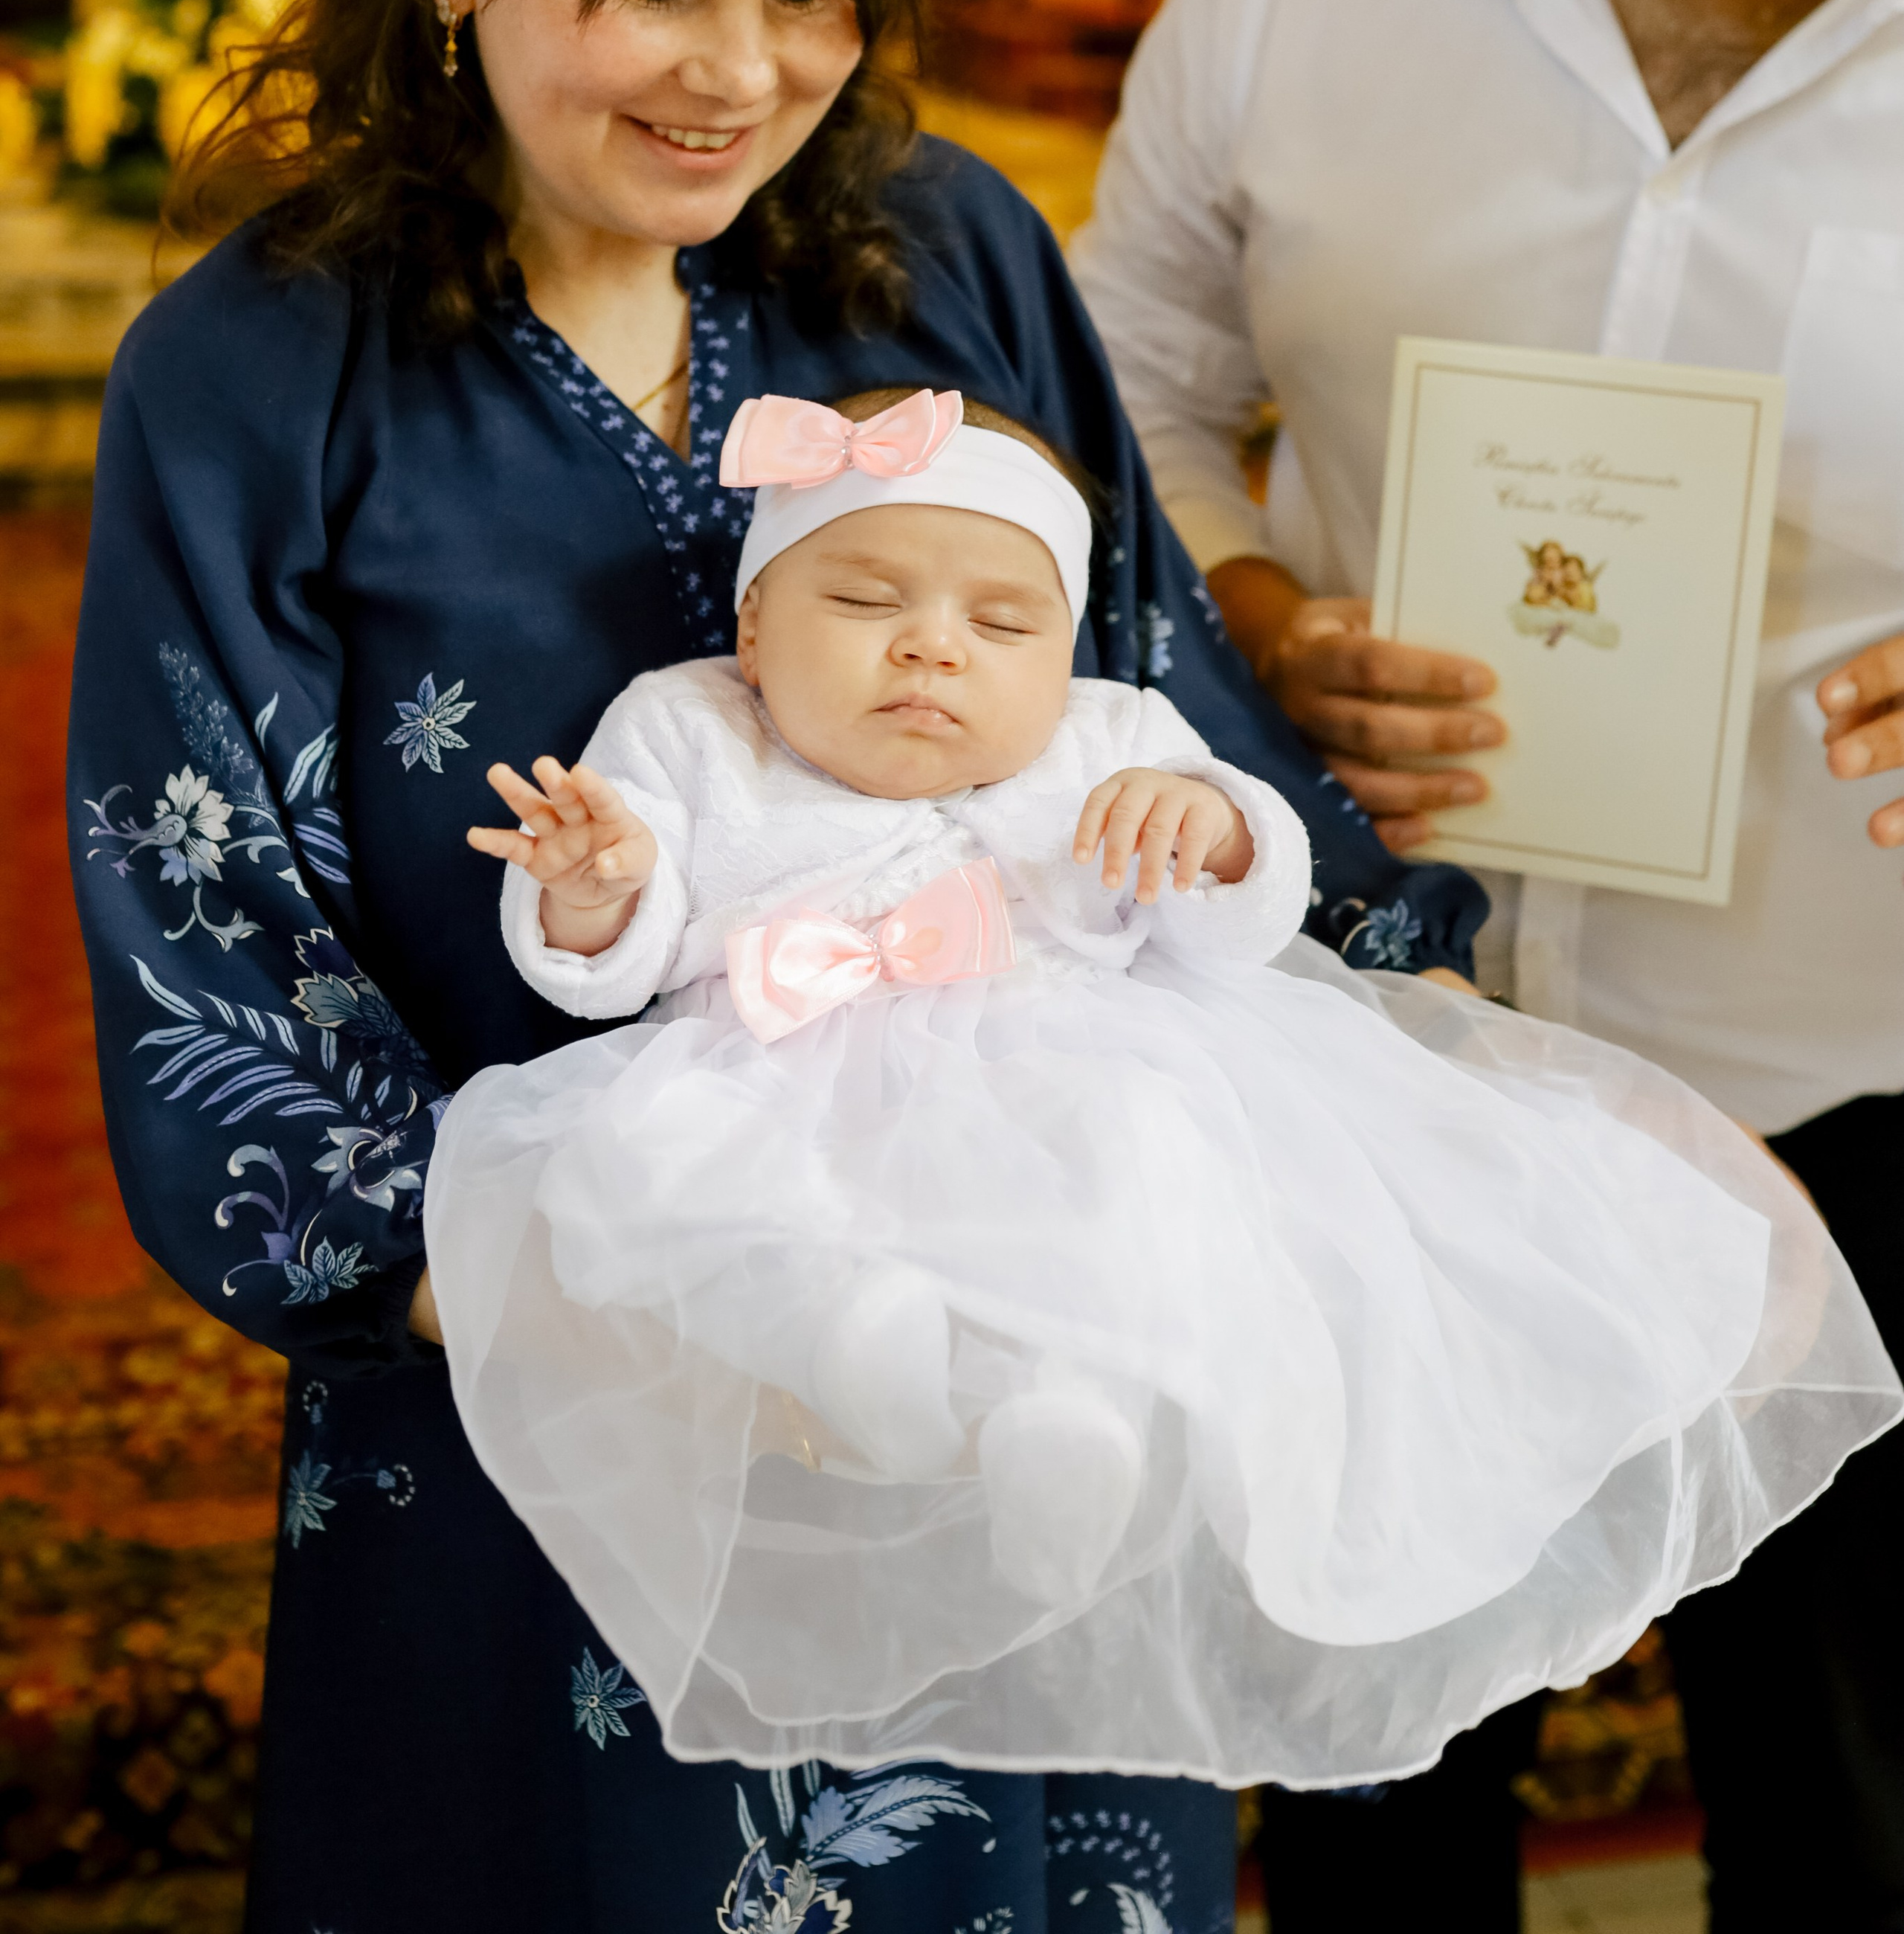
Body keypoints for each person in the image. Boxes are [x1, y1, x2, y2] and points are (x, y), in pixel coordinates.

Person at [69, 0, 1483, 1934]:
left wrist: (1358, 1003)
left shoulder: (942, 257)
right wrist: (642, 1308)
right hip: (551, 1425)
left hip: (1032, 1375)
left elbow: (1137, 695)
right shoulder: (253, 376)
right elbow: (215, 967)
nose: (739, 68)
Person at [1072, 0, 1904, 1931]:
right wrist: (1235, 613)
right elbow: (1117, 385)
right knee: (1368, 1822)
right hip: (1369, 1071)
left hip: (1860, 1093)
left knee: (1860, 1825)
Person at [424, 382, 1893, 1792]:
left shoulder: (1110, 737)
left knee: (1140, 1182)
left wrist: (1213, 830)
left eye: (1000, 622)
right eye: (864, 602)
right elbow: (613, 958)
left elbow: (1236, 931)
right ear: (752, 627)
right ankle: (870, 1352)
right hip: (777, 1080)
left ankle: (1073, 1420)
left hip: (1068, 1068)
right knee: (672, 1183)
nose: (932, 650)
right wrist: (595, 887)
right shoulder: (687, 728)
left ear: (1063, 650)